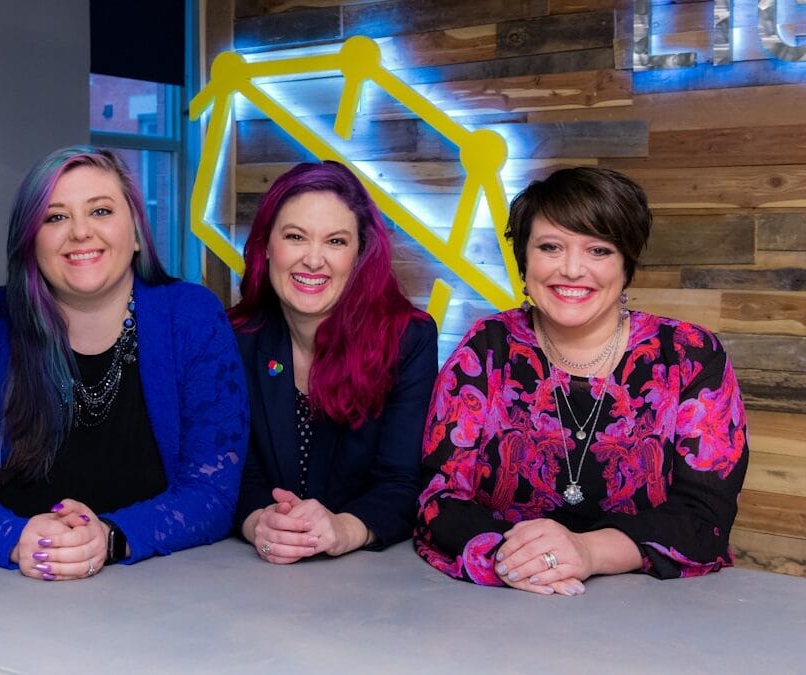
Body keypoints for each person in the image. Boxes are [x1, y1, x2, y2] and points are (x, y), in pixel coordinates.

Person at [415, 167, 748, 595]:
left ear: (627, 262)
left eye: (598, 250)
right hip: (501, 603)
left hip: (652, 612)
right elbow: (439, 497)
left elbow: (705, 515)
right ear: (524, 260)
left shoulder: (689, 354)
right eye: (550, 247)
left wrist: (586, 552)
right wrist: (525, 562)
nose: (572, 270)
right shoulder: (486, 348)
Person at [0, 146, 247, 581]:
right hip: (4, 594)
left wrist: (111, 536)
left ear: (136, 233)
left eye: (101, 211)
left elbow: (212, 493)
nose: (80, 232)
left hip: (163, 597)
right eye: (55, 217)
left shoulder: (192, 318)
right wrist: (16, 538)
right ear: (29, 242)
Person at [228, 161, 437, 563]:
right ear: (267, 247)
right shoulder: (235, 338)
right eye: (295, 237)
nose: (313, 259)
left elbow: (402, 481)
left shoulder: (409, 339)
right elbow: (233, 470)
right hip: (251, 580)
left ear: (360, 254)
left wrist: (344, 528)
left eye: (336, 242)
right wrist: (259, 521)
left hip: (373, 581)